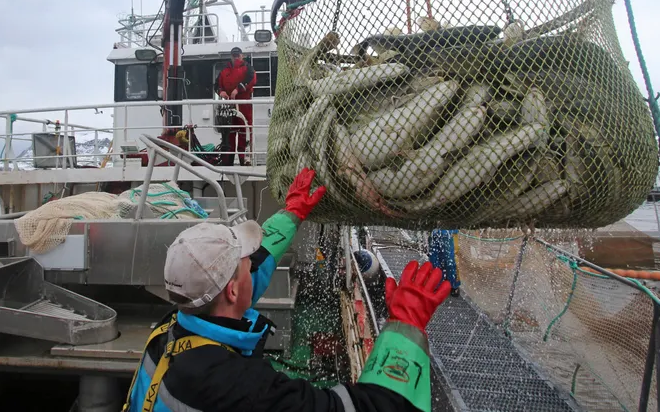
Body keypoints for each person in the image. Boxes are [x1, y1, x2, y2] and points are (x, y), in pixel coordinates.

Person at [123, 167, 452, 411]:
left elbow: (256, 267)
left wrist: (292, 214)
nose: (252, 263)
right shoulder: (242, 389)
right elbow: (379, 407)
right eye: (244, 263)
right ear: (233, 292)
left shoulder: (171, 329)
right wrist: (405, 327)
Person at [215, 46, 256, 166]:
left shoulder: (248, 68)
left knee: (245, 132)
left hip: (244, 104)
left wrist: (237, 89)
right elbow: (217, 85)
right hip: (230, 106)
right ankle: (228, 160)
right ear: (231, 56)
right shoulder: (224, 71)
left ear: (242, 55)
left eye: (238, 55)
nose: (236, 57)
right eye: (234, 55)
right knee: (229, 133)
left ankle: (245, 160)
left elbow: (251, 79)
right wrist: (220, 91)